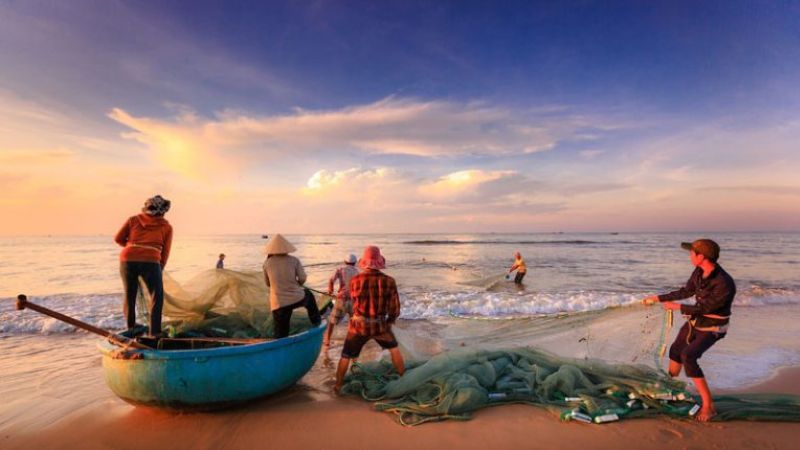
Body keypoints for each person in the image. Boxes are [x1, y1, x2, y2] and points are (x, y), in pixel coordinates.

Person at [642, 238, 736, 422]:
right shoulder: (699, 271)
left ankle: (708, 405)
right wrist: (658, 298)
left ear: (701, 256)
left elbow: (706, 309)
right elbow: (686, 291)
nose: (690, 256)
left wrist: (677, 308)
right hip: (696, 321)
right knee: (676, 351)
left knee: (689, 356)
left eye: (692, 253)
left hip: (714, 326)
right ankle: (670, 389)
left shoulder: (724, 282)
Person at [334, 246, 404, 393]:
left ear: (364, 263)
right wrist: (389, 322)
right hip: (380, 325)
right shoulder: (389, 281)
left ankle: (338, 386)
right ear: (379, 262)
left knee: (345, 355)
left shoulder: (355, 281)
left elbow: (353, 304)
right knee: (394, 350)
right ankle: (404, 380)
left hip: (358, 326)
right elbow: (395, 309)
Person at [114, 195, 173, 337]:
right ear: (163, 211)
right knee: (156, 295)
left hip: (127, 259)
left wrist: (132, 247)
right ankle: (155, 332)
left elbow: (118, 239)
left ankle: (132, 327)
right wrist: (160, 266)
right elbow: (165, 251)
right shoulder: (166, 226)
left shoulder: (133, 220)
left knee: (130, 294)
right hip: (150, 260)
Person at [262, 234, 321, 338]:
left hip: (278, 302)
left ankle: (281, 346)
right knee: (309, 296)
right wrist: (298, 284)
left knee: (281, 332)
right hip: (297, 297)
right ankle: (317, 323)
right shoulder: (294, 260)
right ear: (286, 249)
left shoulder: (267, 263)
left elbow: (268, 283)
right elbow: (302, 278)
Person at [323, 253, 360, 349]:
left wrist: (330, 290)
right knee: (352, 321)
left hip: (341, 299)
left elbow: (331, 280)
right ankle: (351, 340)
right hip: (353, 300)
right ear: (355, 263)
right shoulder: (358, 272)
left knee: (332, 321)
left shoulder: (340, 270)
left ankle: (327, 340)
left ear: (345, 262)